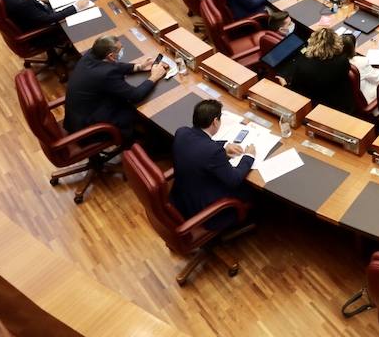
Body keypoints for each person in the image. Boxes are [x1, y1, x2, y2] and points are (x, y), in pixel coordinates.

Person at [171, 100, 254, 229]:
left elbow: (199, 144)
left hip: (181, 198)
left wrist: (225, 145)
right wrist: (249, 156)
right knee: (251, 190)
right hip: (203, 209)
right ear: (215, 121)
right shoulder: (213, 152)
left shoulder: (182, 132)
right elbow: (234, 179)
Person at [64, 36, 166, 140]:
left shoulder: (92, 54)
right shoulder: (106, 74)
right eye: (120, 49)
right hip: (88, 127)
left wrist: (139, 66)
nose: (122, 50)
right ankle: (139, 140)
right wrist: (154, 77)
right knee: (134, 111)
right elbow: (135, 96)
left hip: (76, 116)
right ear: (111, 56)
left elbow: (113, 66)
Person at [285, 27, 352, 112]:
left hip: (311, 105)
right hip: (337, 105)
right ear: (336, 43)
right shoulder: (343, 60)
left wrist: (284, 85)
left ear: (312, 42)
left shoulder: (303, 61)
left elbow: (295, 88)